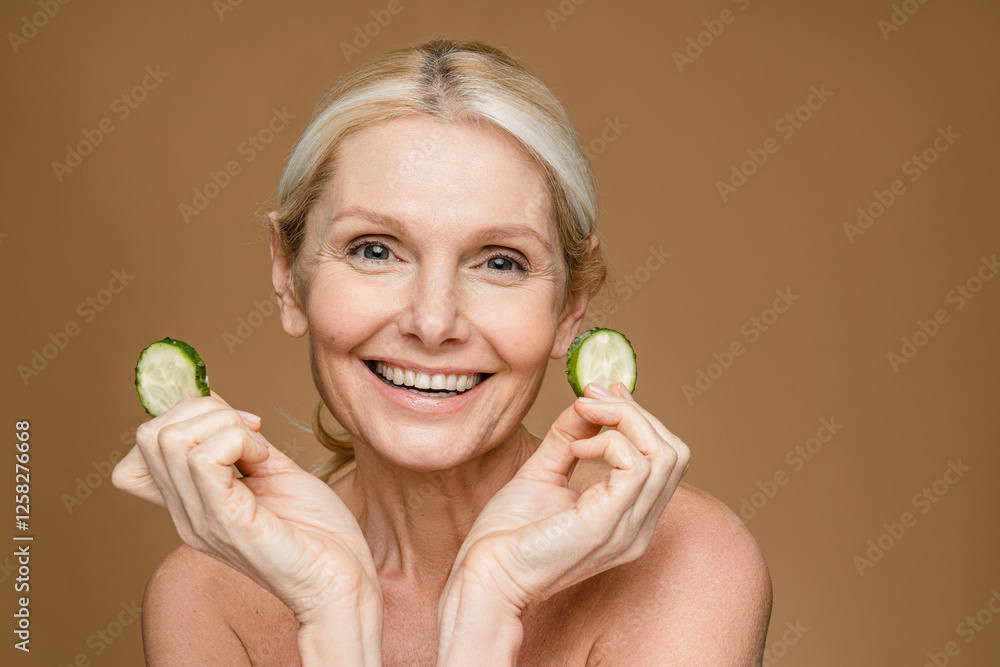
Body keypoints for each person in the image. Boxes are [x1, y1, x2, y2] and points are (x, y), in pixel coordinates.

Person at [112, 37, 772, 665]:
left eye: (501, 262)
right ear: (288, 275)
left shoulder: (689, 563)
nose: (434, 320)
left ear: (571, 304)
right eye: (375, 249)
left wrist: (492, 602)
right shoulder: (206, 597)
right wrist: (331, 608)